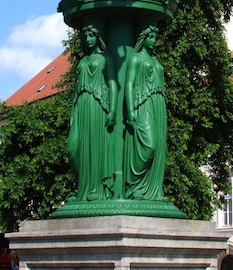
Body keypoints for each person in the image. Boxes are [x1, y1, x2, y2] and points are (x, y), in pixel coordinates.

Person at [67, 23, 117, 201]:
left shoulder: (105, 59)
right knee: (73, 148)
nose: (87, 39)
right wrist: (73, 114)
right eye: (85, 36)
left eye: (91, 35)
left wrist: (112, 110)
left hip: (98, 107)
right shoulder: (82, 61)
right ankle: (83, 188)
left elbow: (112, 84)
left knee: (95, 147)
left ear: (98, 37)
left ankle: (97, 189)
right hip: (81, 107)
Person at [124, 24, 167, 200]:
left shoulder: (155, 62)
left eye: (155, 37)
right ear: (143, 39)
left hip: (158, 103)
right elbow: (129, 83)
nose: (154, 40)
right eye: (150, 37)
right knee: (149, 145)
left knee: (159, 150)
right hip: (143, 103)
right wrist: (130, 109)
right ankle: (134, 186)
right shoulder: (135, 59)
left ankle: (153, 191)